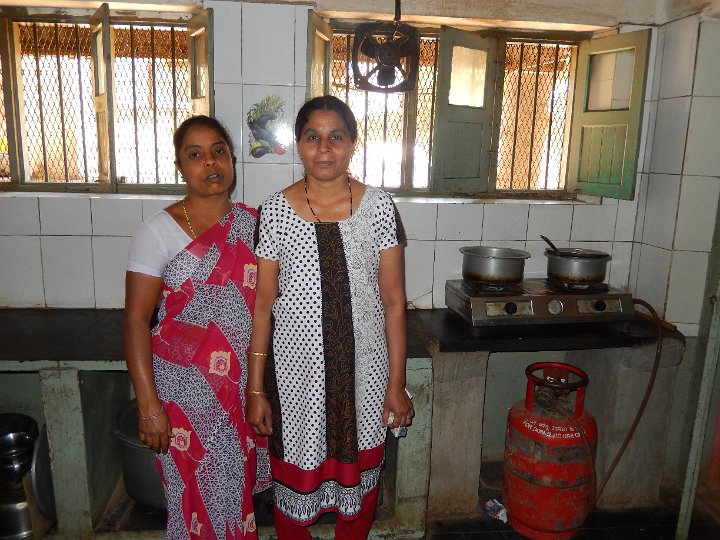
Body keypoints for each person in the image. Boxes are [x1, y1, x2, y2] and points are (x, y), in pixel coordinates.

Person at [247, 95, 414, 539]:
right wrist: (255, 387)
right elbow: (263, 305)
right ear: (299, 145)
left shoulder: (379, 208)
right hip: (295, 380)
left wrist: (396, 385)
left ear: (353, 144)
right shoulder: (275, 211)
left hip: (365, 378)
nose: (324, 148)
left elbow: (394, 303)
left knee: (358, 498)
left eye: (336, 137)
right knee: (293, 497)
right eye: (313, 137)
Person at [124, 115, 269, 539]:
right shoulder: (158, 231)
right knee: (193, 503)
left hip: (240, 388)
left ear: (233, 159)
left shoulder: (257, 225)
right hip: (182, 393)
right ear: (179, 166)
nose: (211, 163)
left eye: (219, 151)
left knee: (234, 498)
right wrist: (149, 407)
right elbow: (135, 320)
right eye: (195, 155)